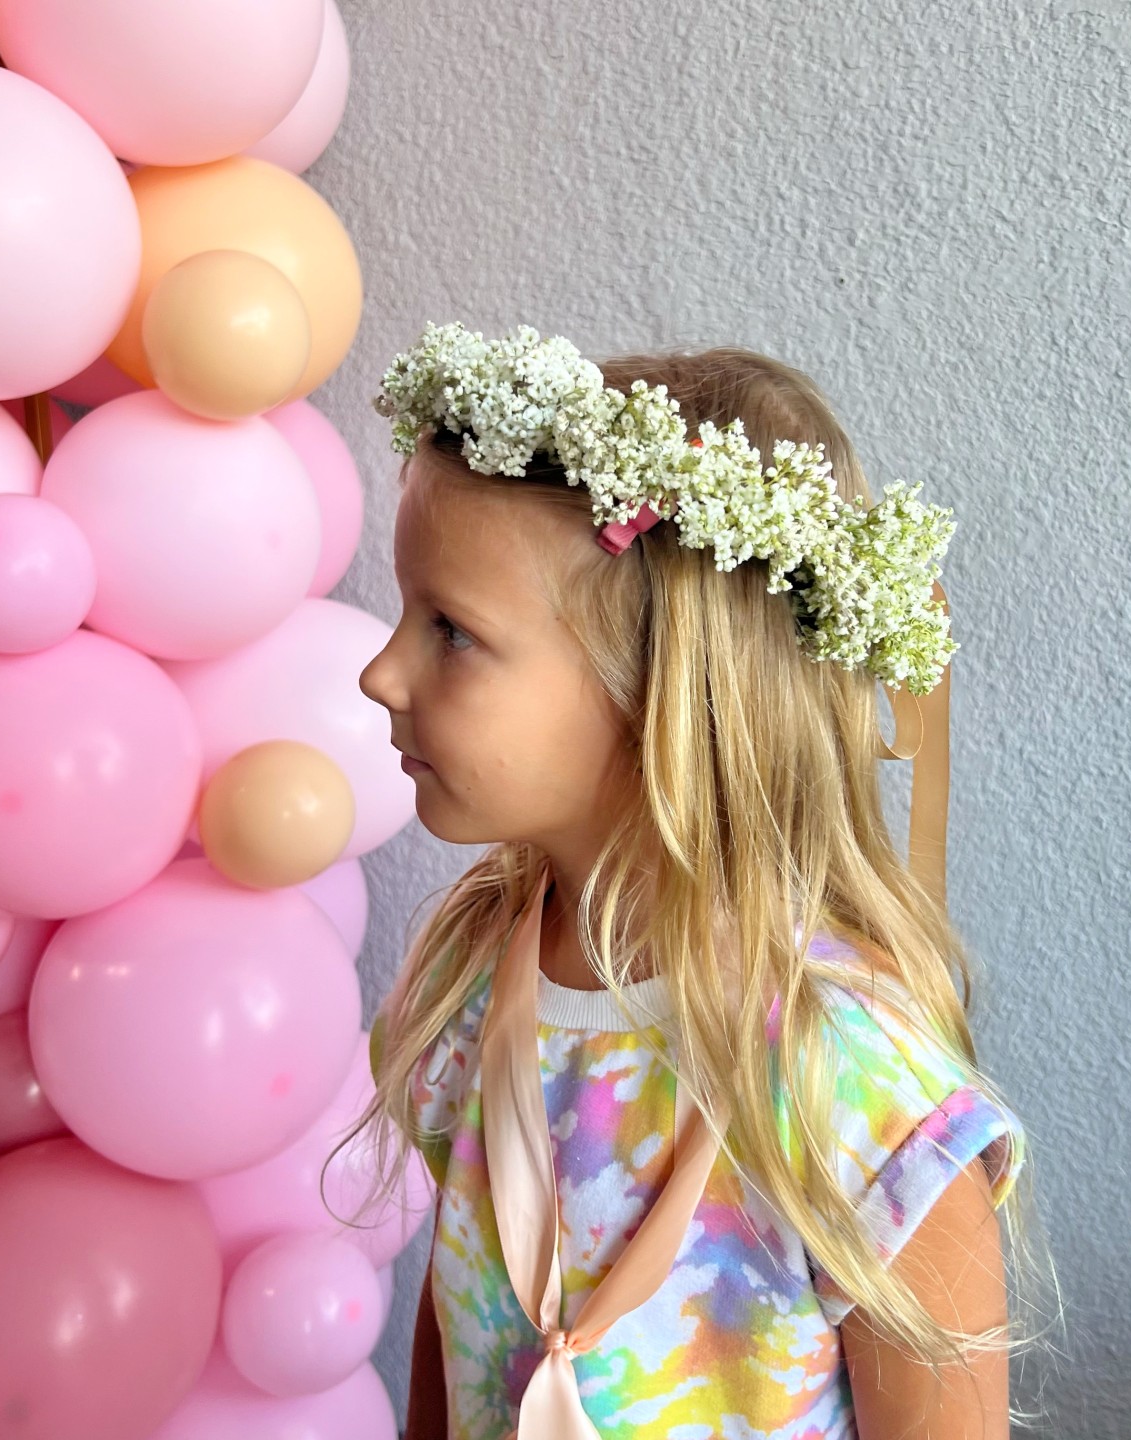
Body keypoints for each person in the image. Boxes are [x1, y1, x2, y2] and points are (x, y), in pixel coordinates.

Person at [345, 321, 1053, 1440]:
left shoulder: (848, 1081)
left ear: (663, 692)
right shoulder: (468, 982)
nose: (381, 672)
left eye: (453, 632)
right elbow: (462, 1319)